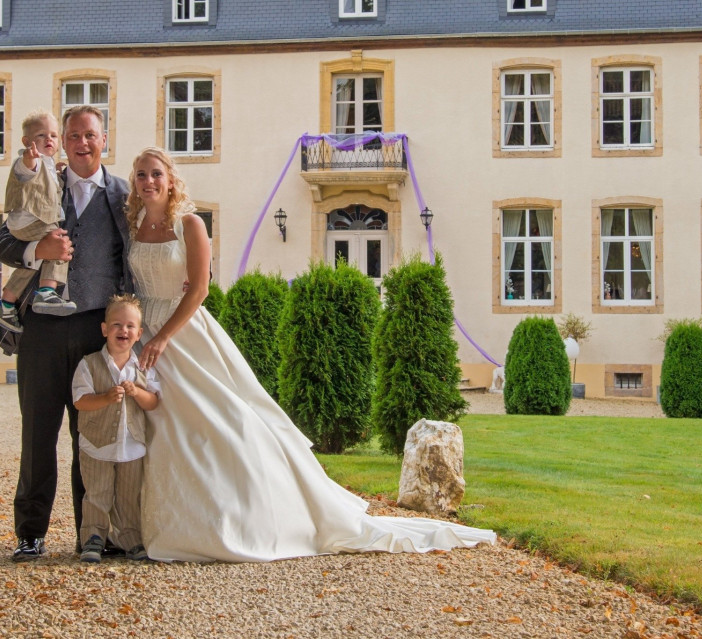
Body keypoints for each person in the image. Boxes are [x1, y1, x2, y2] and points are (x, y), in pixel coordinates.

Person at [126, 147, 496, 562]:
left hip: (182, 333)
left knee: (219, 421)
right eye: (141, 175)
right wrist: (139, 334)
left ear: (171, 179)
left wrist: (163, 338)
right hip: (138, 331)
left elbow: (199, 289)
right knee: (157, 426)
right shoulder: (134, 225)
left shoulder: (189, 224)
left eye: (156, 173)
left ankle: (233, 518)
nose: (149, 181)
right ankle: (156, 522)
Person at [0, 105, 133, 562]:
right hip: (42, 329)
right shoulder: (41, 181)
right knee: (37, 435)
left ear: (104, 140)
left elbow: (144, 250)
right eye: (74, 135)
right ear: (63, 140)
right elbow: (2, 242)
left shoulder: (122, 195)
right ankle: (30, 533)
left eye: (90, 135)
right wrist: (38, 249)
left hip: (96, 331)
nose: (82, 142)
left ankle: (89, 532)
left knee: (89, 436)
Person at [73, 294, 159, 563]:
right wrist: (104, 399)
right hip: (97, 445)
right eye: (117, 325)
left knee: (128, 496)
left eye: (130, 326)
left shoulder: (143, 366)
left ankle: (130, 537)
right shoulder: (88, 364)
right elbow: (80, 401)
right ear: (104, 329)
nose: (123, 330)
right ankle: (93, 538)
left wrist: (137, 393)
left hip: (131, 445)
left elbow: (153, 402)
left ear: (139, 333)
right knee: (97, 493)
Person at [0, 110, 77, 333]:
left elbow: (43, 180)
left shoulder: (47, 163)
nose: (49, 140)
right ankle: (46, 291)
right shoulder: (29, 161)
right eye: (41, 135)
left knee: (34, 260)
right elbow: (27, 171)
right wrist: (29, 159)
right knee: (61, 245)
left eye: (54, 136)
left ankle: (6, 304)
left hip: (28, 222)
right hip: (31, 220)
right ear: (27, 142)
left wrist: (55, 171)